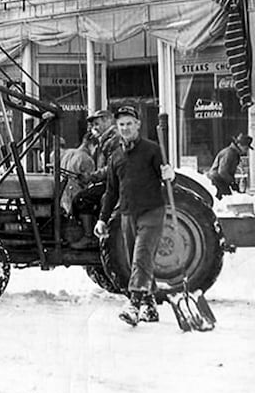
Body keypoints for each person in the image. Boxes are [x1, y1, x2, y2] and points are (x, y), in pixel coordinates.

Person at [94, 106, 175, 326]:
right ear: (117, 128)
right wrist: (102, 218)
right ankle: (150, 305)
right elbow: (111, 191)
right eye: (121, 124)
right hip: (128, 214)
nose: (126, 128)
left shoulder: (152, 149)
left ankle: (134, 304)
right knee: (135, 261)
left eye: (130, 123)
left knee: (141, 256)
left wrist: (170, 174)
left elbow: (166, 176)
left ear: (138, 125)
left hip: (151, 211)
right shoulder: (115, 157)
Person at [59, 132, 99, 249]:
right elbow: (88, 181)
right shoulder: (86, 159)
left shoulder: (68, 153)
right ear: (91, 145)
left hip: (65, 196)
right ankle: (89, 235)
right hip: (77, 195)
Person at [207, 133, 252, 199]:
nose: (246, 150)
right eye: (245, 148)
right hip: (217, 181)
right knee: (226, 200)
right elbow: (222, 172)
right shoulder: (230, 153)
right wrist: (232, 182)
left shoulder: (234, 153)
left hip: (220, 180)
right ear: (239, 145)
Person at [83, 108, 120, 183]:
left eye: (97, 124)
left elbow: (113, 166)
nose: (94, 128)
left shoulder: (114, 139)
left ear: (107, 121)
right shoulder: (103, 141)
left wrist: (93, 177)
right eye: (93, 125)